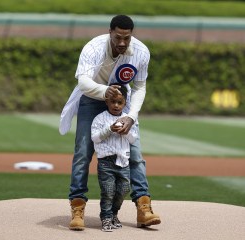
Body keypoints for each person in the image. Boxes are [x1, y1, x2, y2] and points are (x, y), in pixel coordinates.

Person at [59, 14, 161, 231]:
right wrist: (105, 91)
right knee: (83, 152)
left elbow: (140, 87)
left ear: (131, 36)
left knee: (135, 153)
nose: (122, 43)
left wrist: (131, 116)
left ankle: (144, 208)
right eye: (118, 38)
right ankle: (77, 206)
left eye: (127, 38)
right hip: (93, 97)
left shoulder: (141, 52)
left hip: (122, 101)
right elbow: (83, 81)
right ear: (110, 33)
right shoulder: (94, 47)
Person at [91, 84, 138, 232]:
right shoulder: (100, 118)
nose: (116, 105)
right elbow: (95, 138)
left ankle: (113, 213)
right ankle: (105, 217)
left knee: (124, 189)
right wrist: (109, 129)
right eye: (113, 101)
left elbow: (133, 140)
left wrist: (126, 132)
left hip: (123, 161)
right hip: (106, 161)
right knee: (108, 191)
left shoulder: (129, 119)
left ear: (125, 103)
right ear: (106, 101)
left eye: (120, 102)